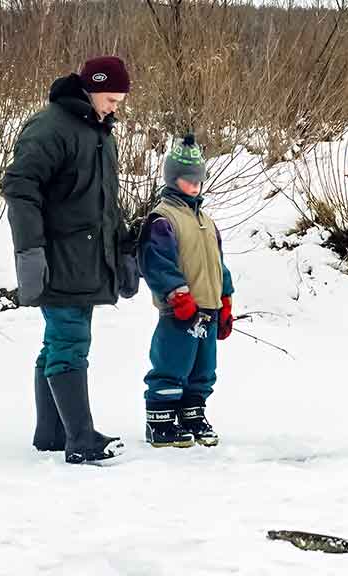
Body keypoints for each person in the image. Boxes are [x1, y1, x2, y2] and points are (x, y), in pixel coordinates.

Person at [1, 56, 140, 465]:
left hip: (89, 258)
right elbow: (20, 188)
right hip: (58, 257)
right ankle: (81, 439)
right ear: (92, 88)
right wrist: (31, 251)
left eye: (119, 101)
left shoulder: (100, 132)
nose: (115, 107)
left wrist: (122, 250)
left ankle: (52, 434)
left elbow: (104, 206)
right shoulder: (49, 128)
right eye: (112, 98)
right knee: (69, 342)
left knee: (58, 343)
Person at [138, 133, 234, 448]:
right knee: (172, 362)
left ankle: (193, 414)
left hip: (208, 308)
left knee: (203, 368)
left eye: (198, 179)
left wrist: (226, 299)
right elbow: (158, 262)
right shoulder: (164, 219)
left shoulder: (206, 220)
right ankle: (160, 419)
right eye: (187, 179)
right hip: (180, 309)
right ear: (173, 179)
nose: (194, 185)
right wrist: (177, 294)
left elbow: (218, 265)